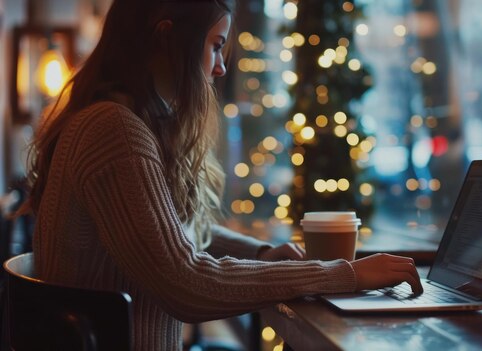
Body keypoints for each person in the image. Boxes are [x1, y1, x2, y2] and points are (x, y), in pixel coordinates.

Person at [18, 0, 422, 350]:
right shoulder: (113, 130)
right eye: (215, 47)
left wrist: (261, 254)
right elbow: (184, 283)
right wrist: (345, 275)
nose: (221, 67)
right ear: (166, 38)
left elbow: (169, 239)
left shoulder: (122, 120)